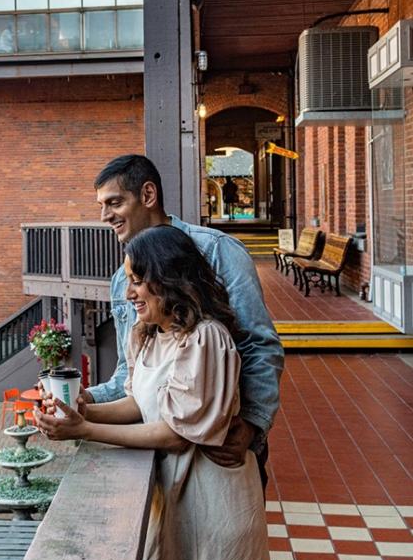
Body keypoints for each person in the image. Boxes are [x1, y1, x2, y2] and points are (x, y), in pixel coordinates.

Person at [36, 225, 273, 560]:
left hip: (212, 509)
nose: (129, 294)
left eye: (137, 281)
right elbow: (138, 405)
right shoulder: (151, 336)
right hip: (175, 507)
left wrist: (85, 432)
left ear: (169, 278)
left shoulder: (206, 340)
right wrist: (82, 412)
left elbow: (174, 434)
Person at [84, 155, 283, 482]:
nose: (105, 216)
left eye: (115, 203)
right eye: (101, 206)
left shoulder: (217, 249)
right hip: (164, 465)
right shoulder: (122, 279)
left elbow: (258, 345)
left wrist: (252, 423)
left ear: (148, 196)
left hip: (221, 456)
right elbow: (129, 371)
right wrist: (85, 400)